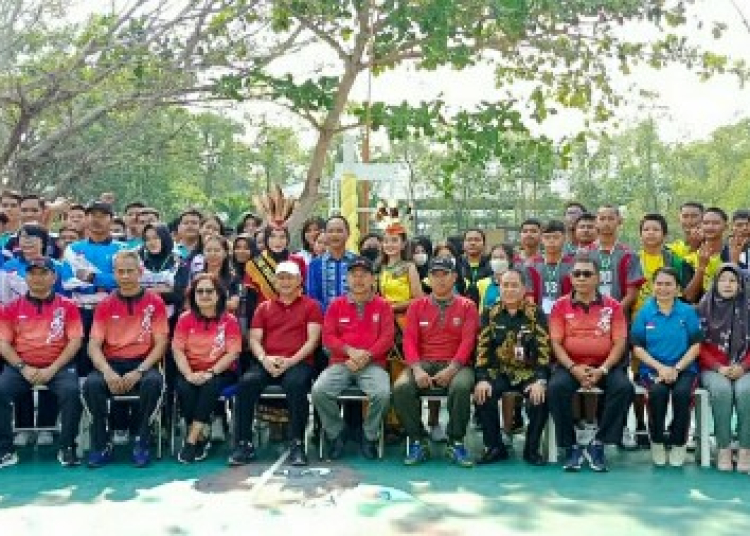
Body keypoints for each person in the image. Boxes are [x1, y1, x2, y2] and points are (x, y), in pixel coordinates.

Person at [82, 250, 169, 468]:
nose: (126, 276)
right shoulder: (105, 304)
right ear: (115, 274)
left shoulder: (155, 302)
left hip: (143, 362)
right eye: (121, 271)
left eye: (130, 271)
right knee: (92, 384)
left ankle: (142, 440)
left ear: (140, 272)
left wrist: (139, 370)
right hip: (112, 363)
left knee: (153, 382)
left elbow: (161, 343)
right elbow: (93, 345)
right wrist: (107, 372)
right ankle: (101, 444)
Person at [231, 261, 323, 466]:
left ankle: (297, 444)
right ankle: (243, 443)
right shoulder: (264, 307)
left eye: (290, 277)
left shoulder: (311, 306)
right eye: (281, 277)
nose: (285, 282)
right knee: (246, 384)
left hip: (298, 361)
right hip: (268, 361)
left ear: (299, 281)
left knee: (296, 385)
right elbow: (254, 339)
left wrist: (291, 361)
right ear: (275, 281)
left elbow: (313, 340)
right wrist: (265, 359)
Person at [548, 253, 633, 472]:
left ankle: (599, 443)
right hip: (570, 365)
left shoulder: (613, 306)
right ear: (571, 278)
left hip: (605, 365)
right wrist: (573, 368)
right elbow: (556, 343)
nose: (582, 278)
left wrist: (603, 369)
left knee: (624, 388)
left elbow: (619, 342)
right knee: (556, 389)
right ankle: (571, 446)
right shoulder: (560, 306)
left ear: (598, 278)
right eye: (577, 274)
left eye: (587, 274)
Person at [0, 258, 83, 468]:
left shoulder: (68, 306)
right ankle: (5, 450)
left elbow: (75, 341)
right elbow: (3, 343)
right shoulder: (11, 308)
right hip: (21, 366)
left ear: (53, 277)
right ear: (25, 277)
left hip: (59, 366)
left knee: (72, 392)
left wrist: (53, 368)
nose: (37, 278)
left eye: (43, 273)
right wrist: (22, 367)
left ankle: (67, 447)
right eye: (32, 273)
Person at [395, 257, 478, 467]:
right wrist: (416, 369)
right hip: (423, 362)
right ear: (428, 279)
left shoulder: (468, 306)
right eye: (435, 275)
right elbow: (409, 340)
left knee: (460, 387)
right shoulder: (416, 306)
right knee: (401, 387)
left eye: (445, 275)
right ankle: (417, 440)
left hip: (458, 364)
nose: (440, 280)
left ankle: (456, 440)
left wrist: (452, 369)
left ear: (455, 277)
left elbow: (468, 341)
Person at [311, 256, 394, 460]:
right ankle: (336, 433)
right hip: (341, 362)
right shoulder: (336, 305)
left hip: (373, 364)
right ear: (347, 279)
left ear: (372, 279)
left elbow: (387, 337)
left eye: (364, 275)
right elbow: (328, 336)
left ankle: (369, 435)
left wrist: (367, 355)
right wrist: (350, 351)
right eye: (354, 275)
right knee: (319, 391)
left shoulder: (383, 306)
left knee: (382, 394)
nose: (358, 279)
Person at [474, 269, 551, 466]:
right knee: (483, 395)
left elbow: (543, 351)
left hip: (528, 372)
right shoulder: (489, 314)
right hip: (498, 371)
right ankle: (494, 447)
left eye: (514, 285)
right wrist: (482, 378)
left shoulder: (536, 313)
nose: (509, 290)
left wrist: (541, 381)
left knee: (540, 398)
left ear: (523, 289)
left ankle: (531, 449)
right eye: (505, 285)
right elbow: (482, 350)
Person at [631, 267, 702, 467]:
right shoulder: (644, 313)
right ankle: (657, 441)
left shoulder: (687, 312)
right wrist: (660, 369)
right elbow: (637, 348)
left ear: (677, 288)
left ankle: (679, 443)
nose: (663, 288)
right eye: (659, 284)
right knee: (658, 394)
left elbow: (696, 346)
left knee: (681, 394)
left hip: (685, 369)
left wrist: (676, 369)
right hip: (652, 370)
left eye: (668, 284)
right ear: (653, 287)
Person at [172, 274, 242, 463]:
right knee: (185, 387)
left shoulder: (230, 320)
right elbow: (177, 349)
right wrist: (188, 373)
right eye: (199, 291)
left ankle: (192, 440)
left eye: (209, 291)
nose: (204, 295)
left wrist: (211, 372)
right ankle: (201, 437)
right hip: (190, 369)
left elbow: (232, 353)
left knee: (210, 385)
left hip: (221, 370)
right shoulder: (184, 319)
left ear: (219, 294)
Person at [697, 264, 750, 472]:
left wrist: (744, 366)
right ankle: (723, 448)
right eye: (723, 280)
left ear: (740, 284)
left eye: (732, 280)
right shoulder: (704, 306)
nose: (727, 284)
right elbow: (697, 346)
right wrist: (719, 367)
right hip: (713, 367)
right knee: (722, 391)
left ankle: (745, 448)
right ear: (715, 282)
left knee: (745, 391)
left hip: (745, 367)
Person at [528, 220, 574, 316]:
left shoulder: (573, 265)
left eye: (556, 237)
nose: (551, 241)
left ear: (564, 238)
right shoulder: (531, 265)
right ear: (541, 239)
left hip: (567, 315)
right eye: (547, 237)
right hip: (539, 316)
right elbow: (529, 295)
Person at [683, 207, 727, 303]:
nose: (710, 227)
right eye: (706, 223)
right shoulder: (689, 259)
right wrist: (701, 267)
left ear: (725, 226)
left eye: (715, 223)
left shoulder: (734, 255)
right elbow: (689, 297)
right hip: (700, 314)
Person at [458, 229, 492, 306]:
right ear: (463, 244)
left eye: (477, 240)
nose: (473, 243)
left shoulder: (491, 265)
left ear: (484, 244)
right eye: (469, 240)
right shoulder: (457, 265)